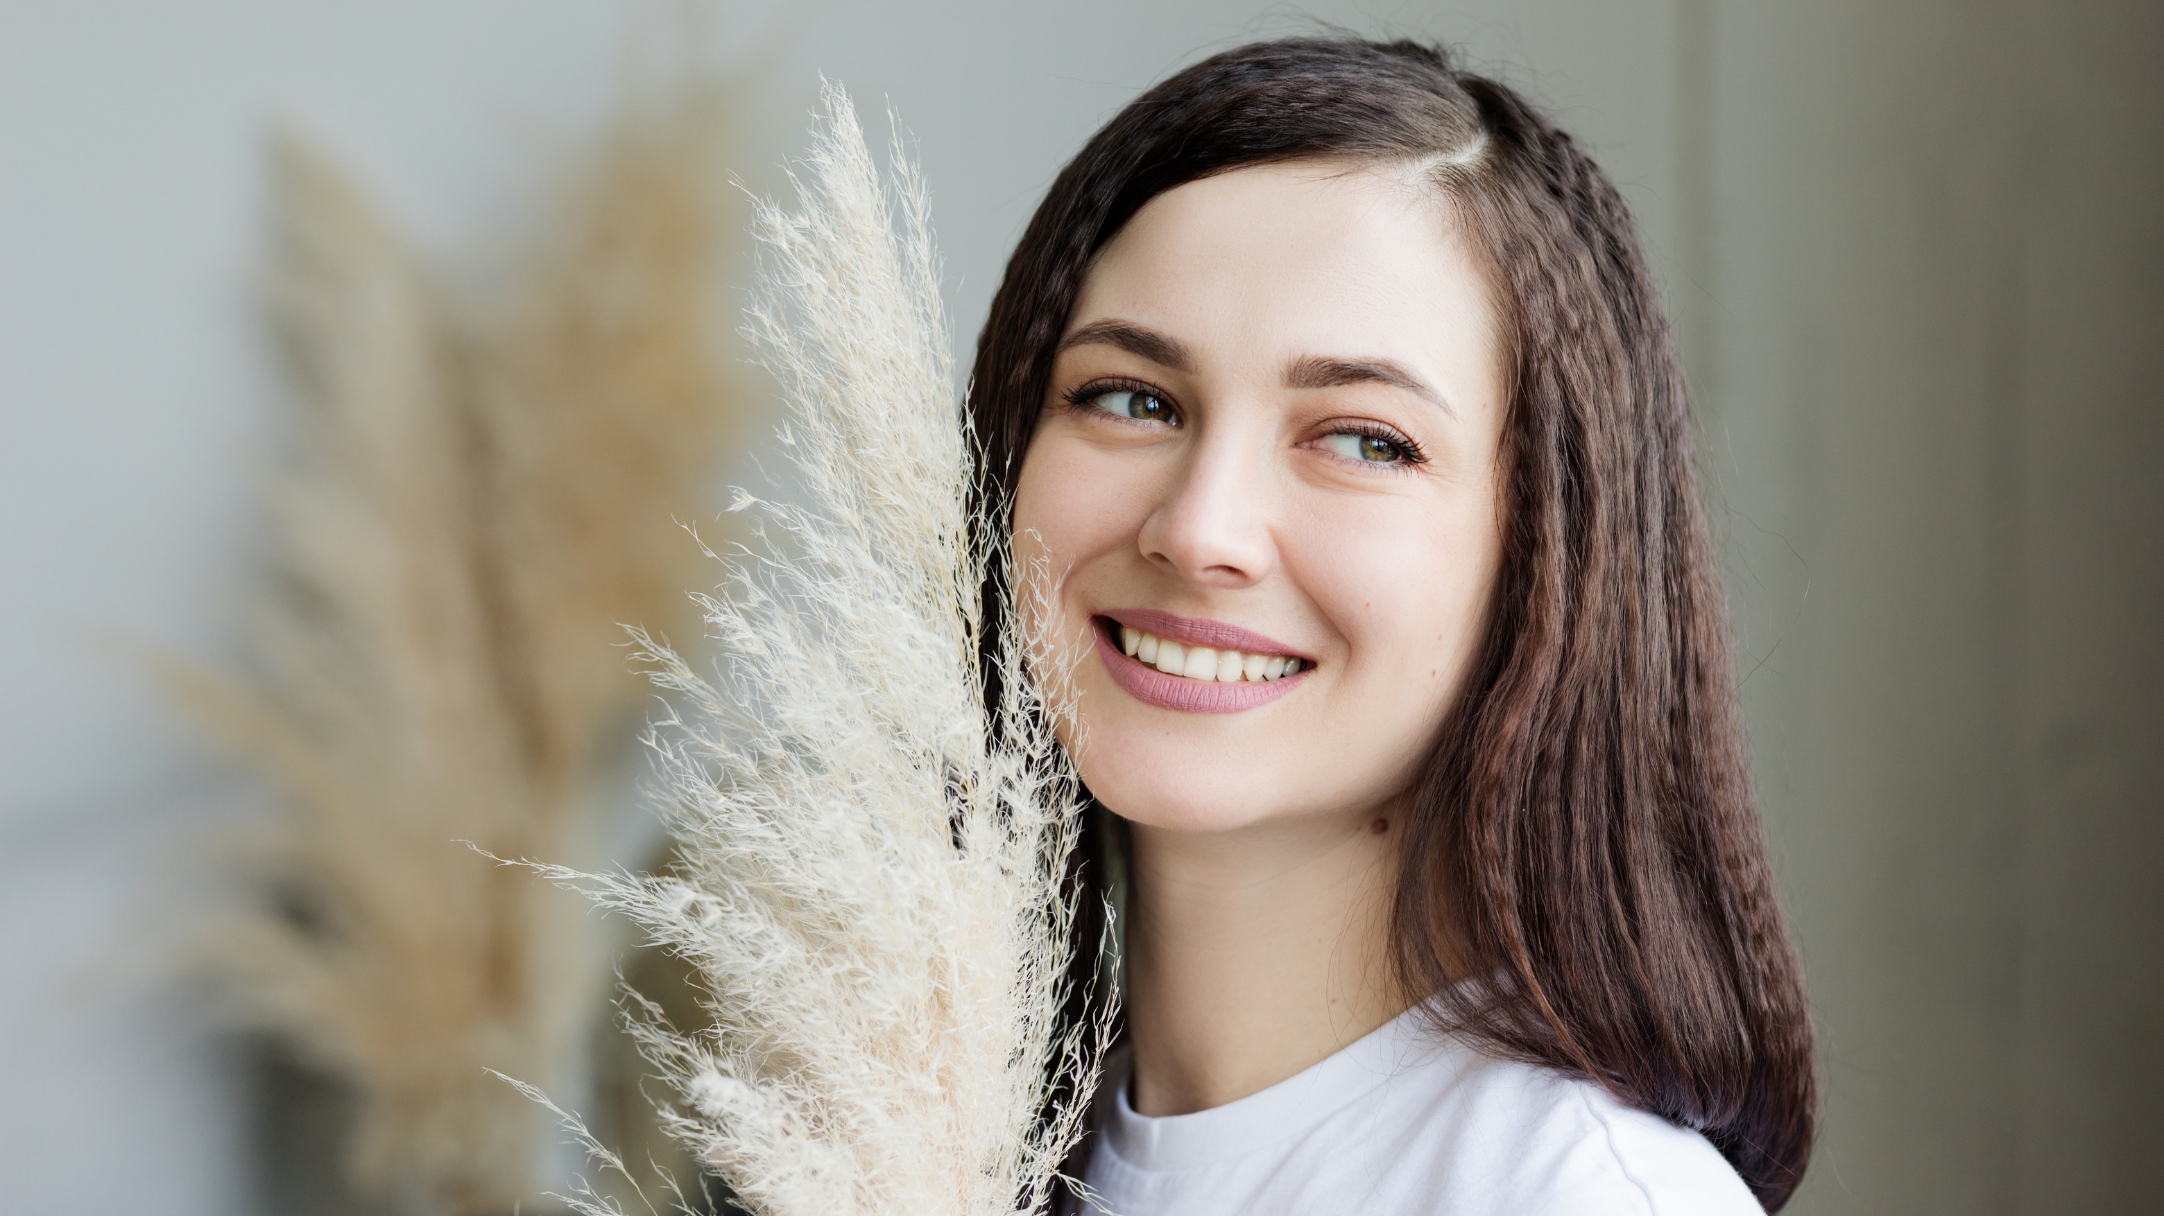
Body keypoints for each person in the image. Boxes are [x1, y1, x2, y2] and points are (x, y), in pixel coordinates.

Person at [969, 37, 1816, 1216]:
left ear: (1542, 553)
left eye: (1364, 438)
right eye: (1131, 398)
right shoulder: (934, 1151)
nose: (1200, 527)